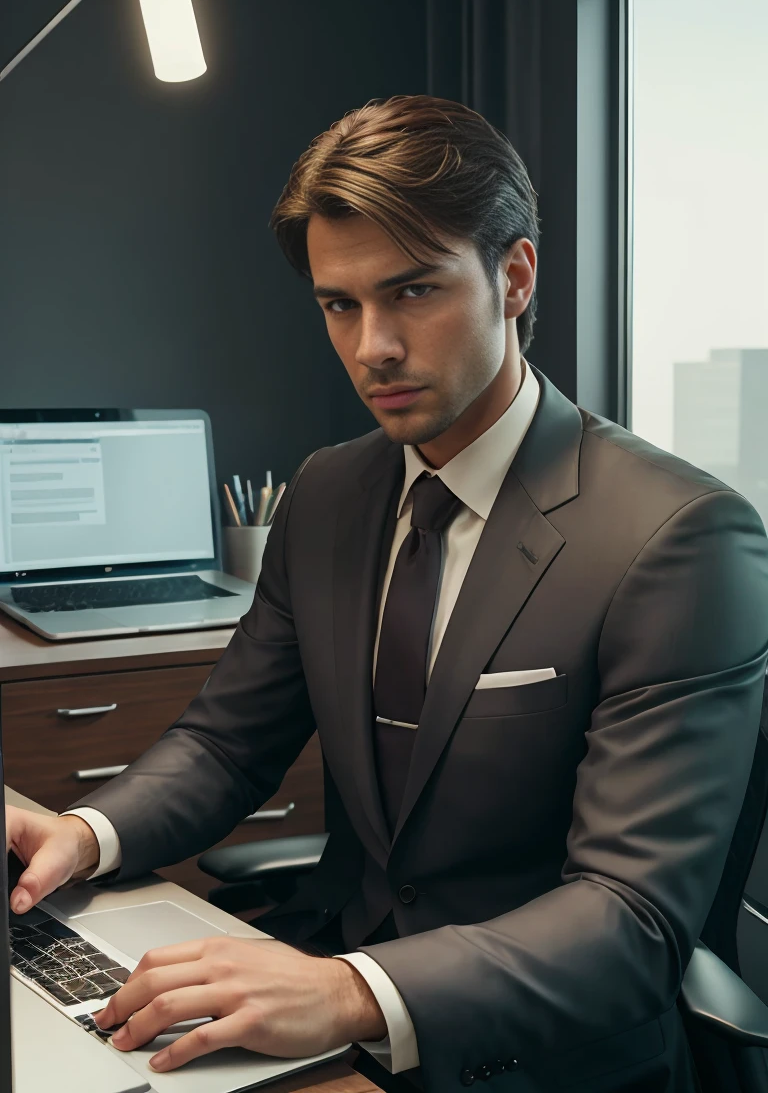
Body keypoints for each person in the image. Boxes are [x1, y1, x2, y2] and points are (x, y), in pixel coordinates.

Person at [7, 94, 768, 1093]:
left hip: (540, 1057)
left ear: (516, 276)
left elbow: (631, 918)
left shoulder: (678, 537)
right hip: (333, 1003)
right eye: (340, 304)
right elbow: (227, 742)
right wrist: (84, 833)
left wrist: (353, 992)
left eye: (412, 293)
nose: (372, 347)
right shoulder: (327, 490)